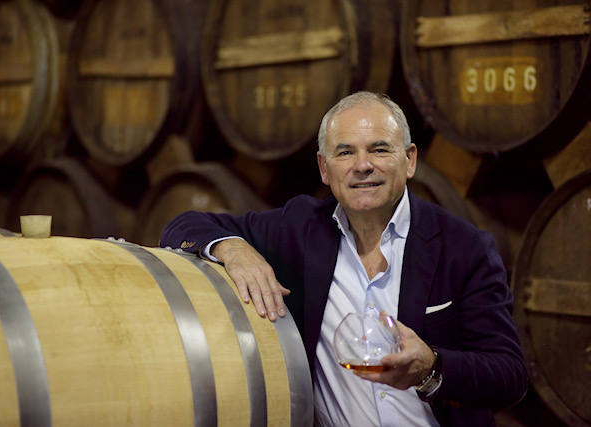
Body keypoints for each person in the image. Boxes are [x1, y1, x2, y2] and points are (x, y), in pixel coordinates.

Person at [159, 91, 528, 426]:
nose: (362, 165)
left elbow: (510, 376)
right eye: (345, 152)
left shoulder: (464, 247)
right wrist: (234, 248)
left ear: (410, 160)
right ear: (324, 168)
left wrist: (431, 366)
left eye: (379, 149)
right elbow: (184, 225)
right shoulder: (301, 228)